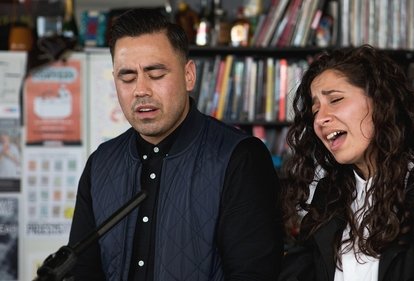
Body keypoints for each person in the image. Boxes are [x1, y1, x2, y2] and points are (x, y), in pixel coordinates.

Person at [68, 8, 283, 281]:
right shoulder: (101, 163)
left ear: (189, 75)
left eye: (155, 74)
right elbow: (81, 271)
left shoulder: (239, 157)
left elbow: (254, 273)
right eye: (127, 77)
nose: (141, 90)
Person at [280, 45, 414, 281]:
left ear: (381, 102)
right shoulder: (329, 197)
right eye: (315, 109)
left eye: (335, 99)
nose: (321, 118)